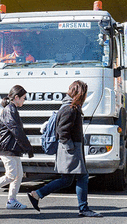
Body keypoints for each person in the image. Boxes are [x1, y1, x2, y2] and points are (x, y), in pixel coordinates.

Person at [27, 80, 102, 218]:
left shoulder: (70, 107)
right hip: (70, 150)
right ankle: (83, 208)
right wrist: (71, 148)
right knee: (82, 177)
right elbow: (62, 131)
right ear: (80, 93)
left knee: (67, 179)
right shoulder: (70, 109)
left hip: (71, 149)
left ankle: (36, 194)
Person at [0, 85, 34, 209]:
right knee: (11, 175)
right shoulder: (10, 109)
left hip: (10, 147)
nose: (24, 100)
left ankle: (11, 201)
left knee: (18, 174)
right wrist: (27, 147)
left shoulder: (11, 109)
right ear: (16, 97)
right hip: (7, 148)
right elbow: (16, 130)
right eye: (23, 98)